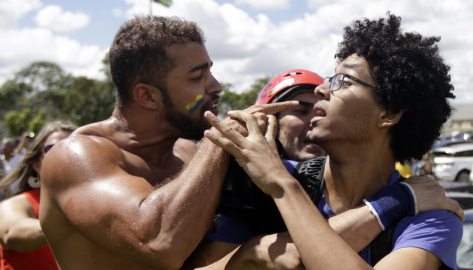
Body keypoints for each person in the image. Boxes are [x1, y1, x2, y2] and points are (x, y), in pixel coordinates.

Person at [204, 13, 462, 269]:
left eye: (344, 81)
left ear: (388, 113)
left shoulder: (430, 217)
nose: (321, 90)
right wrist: (252, 252)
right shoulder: (263, 187)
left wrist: (282, 185)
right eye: (330, 79)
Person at [38, 16, 296, 270]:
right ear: (148, 96)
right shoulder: (76, 155)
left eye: (210, 71)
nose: (216, 87)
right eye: (197, 77)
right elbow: (160, 244)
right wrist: (219, 141)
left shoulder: (186, 151)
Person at [0, 120, 77, 270]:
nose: (68, 155)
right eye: (54, 149)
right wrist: (75, 221)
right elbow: (12, 233)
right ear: (36, 165)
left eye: (77, 147)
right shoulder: (16, 204)